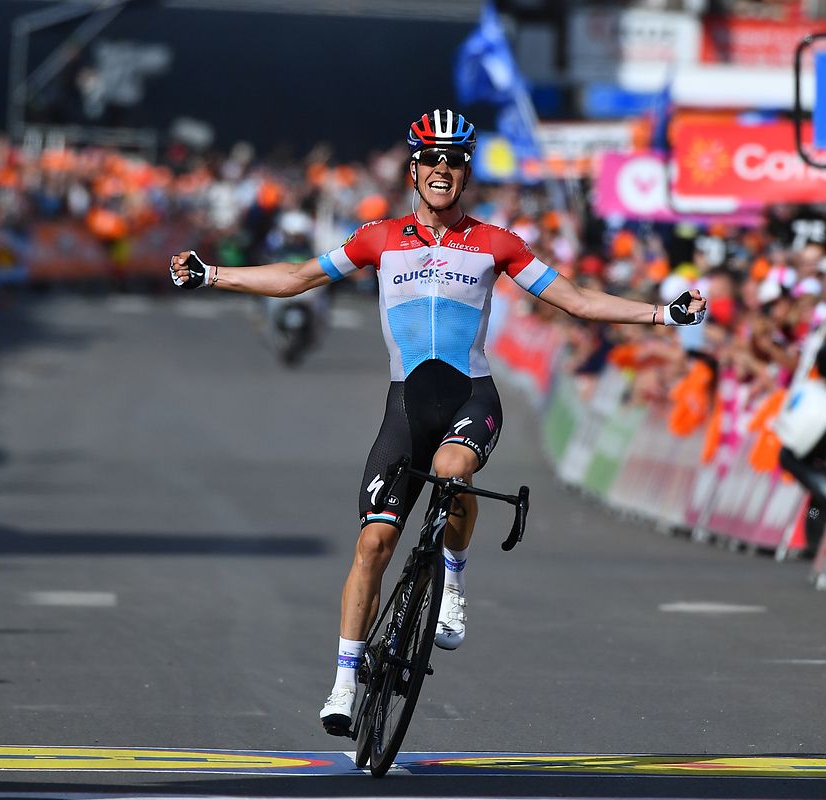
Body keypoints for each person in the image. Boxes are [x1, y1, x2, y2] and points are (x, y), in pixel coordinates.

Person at [168, 108, 707, 736]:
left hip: (469, 397)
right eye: (432, 159)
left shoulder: (495, 242)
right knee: (374, 543)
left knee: (454, 471)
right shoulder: (379, 237)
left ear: (465, 171)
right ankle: (343, 683)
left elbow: (579, 300)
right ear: (414, 168)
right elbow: (296, 278)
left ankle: (452, 581)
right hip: (405, 407)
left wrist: (664, 313)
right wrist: (211, 274)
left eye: (454, 160)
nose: (443, 169)